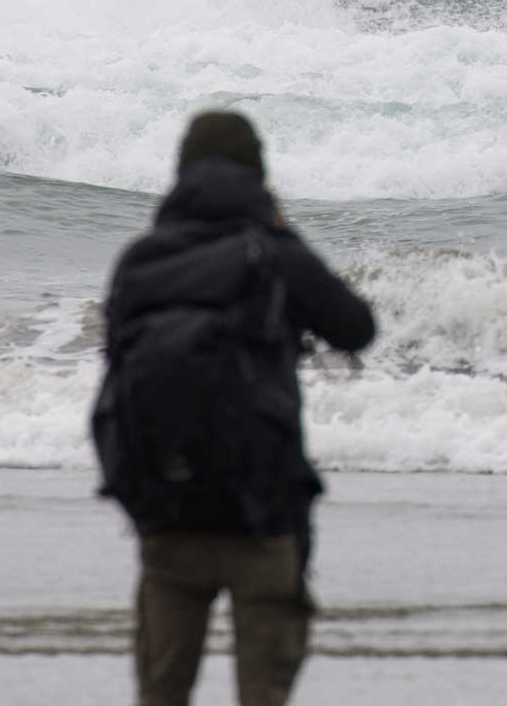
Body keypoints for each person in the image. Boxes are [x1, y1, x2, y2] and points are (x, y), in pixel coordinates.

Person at [92, 111, 376, 706]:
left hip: (166, 511)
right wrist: (283, 235)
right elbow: (355, 328)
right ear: (259, 171)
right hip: (262, 510)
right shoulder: (273, 252)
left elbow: (117, 366)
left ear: (181, 171)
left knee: (161, 694)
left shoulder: (140, 260)